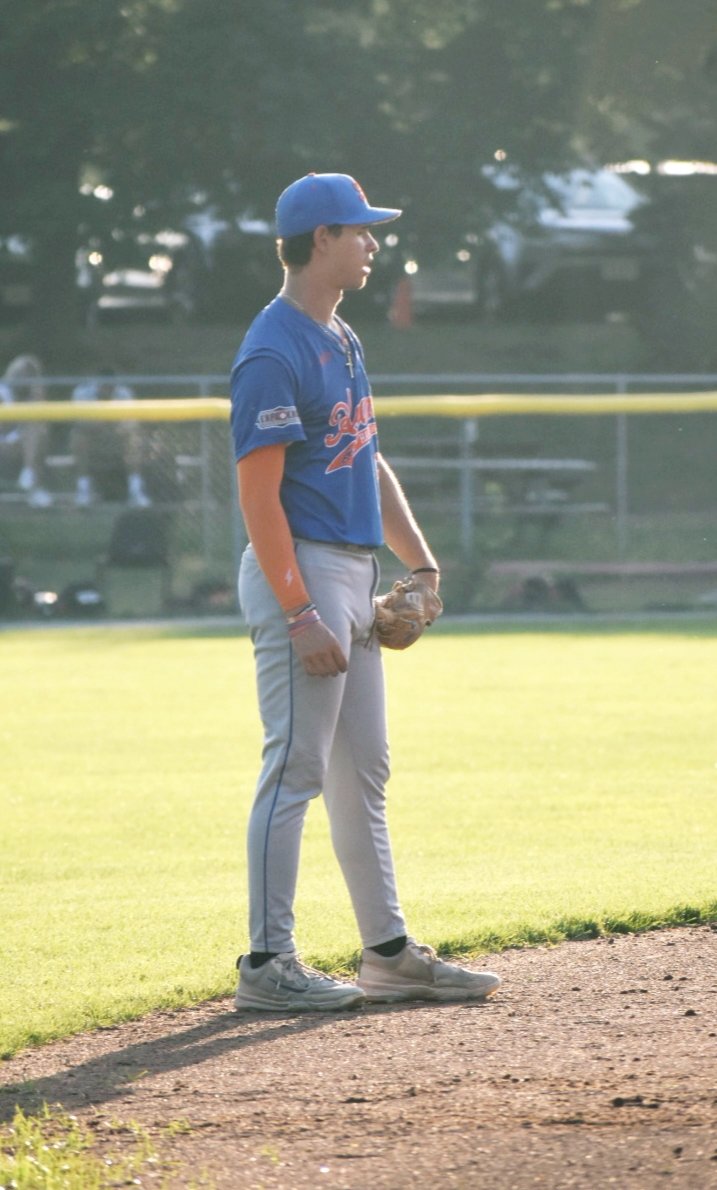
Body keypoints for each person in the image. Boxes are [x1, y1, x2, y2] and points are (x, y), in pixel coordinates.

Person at [230, 172, 501, 1012]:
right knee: (295, 768)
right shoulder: (273, 347)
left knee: (363, 771)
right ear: (320, 240)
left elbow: (367, 460)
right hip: (301, 569)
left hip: (352, 569)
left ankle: (385, 951)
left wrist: (421, 569)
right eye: (359, 230)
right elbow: (257, 495)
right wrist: (299, 608)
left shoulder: (340, 338)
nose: (373, 242)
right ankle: (265, 964)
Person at [70, 370, 151, 507]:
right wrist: (100, 422)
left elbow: (132, 422)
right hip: (93, 438)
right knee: (77, 437)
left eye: (110, 387)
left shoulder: (124, 393)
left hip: (117, 439)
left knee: (134, 438)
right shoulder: (82, 393)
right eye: (104, 387)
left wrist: (115, 426)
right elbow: (78, 422)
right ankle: (83, 490)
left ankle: (135, 491)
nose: (107, 390)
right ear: (97, 385)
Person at [0, 354, 54, 508]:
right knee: (33, 436)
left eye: (29, 375)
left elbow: (44, 426)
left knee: (39, 434)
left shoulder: (33, 396)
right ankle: (32, 482)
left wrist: (37, 399)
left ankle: (29, 477)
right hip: (4, 443)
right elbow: (4, 427)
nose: (23, 378)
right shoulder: (2, 392)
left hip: (23, 445)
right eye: (20, 373)